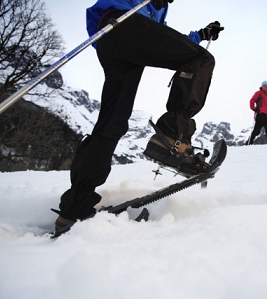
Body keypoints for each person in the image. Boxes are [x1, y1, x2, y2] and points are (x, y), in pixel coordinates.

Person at [52, 0, 224, 232]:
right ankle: (174, 140)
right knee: (201, 59)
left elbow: (163, 37)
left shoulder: (157, 10)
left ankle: (74, 207)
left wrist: (201, 34)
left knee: (113, 120)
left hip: (114, 37)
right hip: (123, 23)